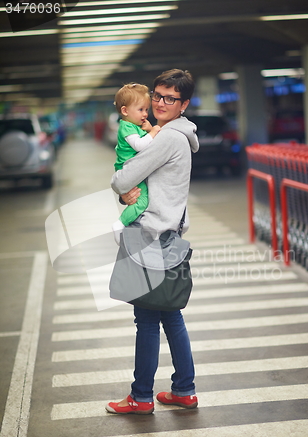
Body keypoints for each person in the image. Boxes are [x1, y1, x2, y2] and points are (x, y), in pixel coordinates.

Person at [106, 69, 199, 414]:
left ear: (184, 104)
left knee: (146, 320)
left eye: (170, 98)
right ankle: (184, 390)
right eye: (157, 96)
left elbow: (123, 178)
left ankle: (141, 397)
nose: (160, 103)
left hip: (150, 237)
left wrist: (121, 187)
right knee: (171, 317)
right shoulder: (177, 135)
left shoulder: (167, 138)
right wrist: (129, 194)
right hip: (168, 233)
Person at [112, 83, 161, 244]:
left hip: (132, 169)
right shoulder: (127, 127)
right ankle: (120, 224)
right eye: (141, 110)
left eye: (146, 110)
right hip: (130, 170)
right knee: (142, 202)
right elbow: (140, 146)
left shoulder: (132, 126)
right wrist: (153, 131)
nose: (145, 114)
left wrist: (147, 130)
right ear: (125, 111)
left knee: (139, 200)